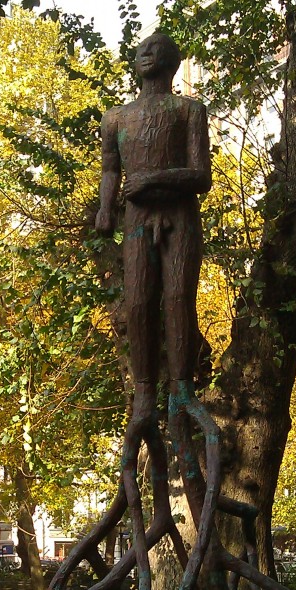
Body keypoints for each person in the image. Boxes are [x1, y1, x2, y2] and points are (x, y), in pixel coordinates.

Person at [95, 32, 211, 429]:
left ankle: (182, 389)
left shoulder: (189, 111)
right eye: (141, 49)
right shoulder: (116, 118)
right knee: (139, 302)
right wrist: (105, 208)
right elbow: (110, 169)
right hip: (137, 220)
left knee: (179, 298)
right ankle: (144, 392)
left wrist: (152, 179)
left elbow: (201, 176)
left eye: (155, 48)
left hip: (180, 217)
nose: (145, 52)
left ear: (172, 61)